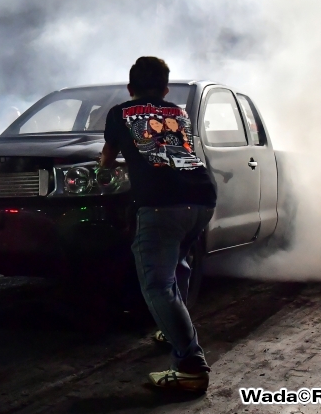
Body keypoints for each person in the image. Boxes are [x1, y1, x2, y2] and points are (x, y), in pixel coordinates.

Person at [98, 56, 217, 393]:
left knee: (157, 286)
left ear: (130, 88)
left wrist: (104, 170)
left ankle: (190, 366)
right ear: (165, 88)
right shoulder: (178, 112)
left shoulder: (120, 112)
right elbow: (175, 152)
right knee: (176, 263)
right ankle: (172, 328)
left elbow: (107, 160)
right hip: (202, 199)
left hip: (162, 207)